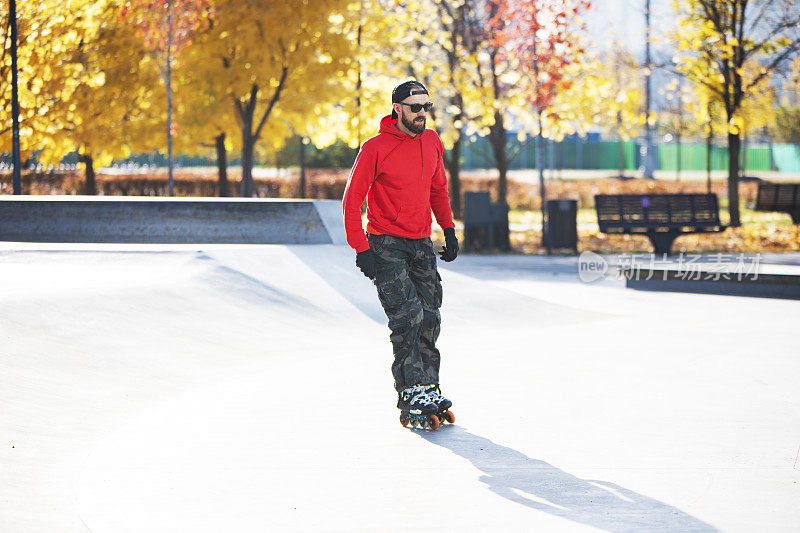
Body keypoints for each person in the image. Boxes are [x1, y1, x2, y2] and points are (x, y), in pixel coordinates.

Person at [342, 80, 460, 420]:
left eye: (426, 107)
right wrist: (361, 248)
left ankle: (429, 388)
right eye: (415, 107)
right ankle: (410, 392)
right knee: (407, 316)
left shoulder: (432, 141)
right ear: (398, 109)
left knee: (430, 316)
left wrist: (448, 230)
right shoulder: (375, 148)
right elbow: (352, 202)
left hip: (421, 241)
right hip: (386, 242)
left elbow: (439, 191)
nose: (422, 114)